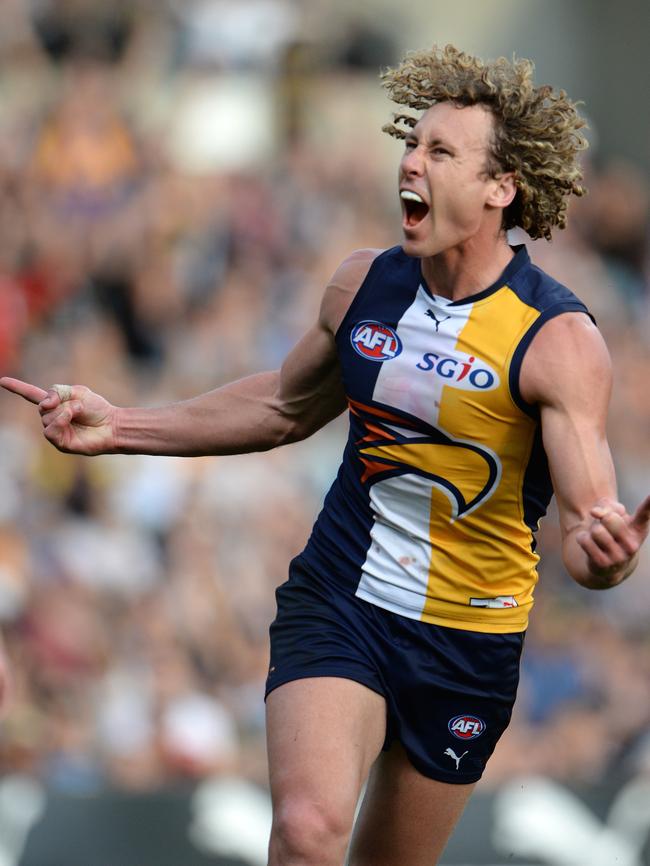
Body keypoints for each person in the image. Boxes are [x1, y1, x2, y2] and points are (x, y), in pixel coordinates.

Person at [2, 44, 649, 866]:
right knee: (307, 833)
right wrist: (122, 425)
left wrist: (608, 560)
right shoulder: (362, 285)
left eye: (441, 152)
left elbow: (592, 538)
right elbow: (281, 407)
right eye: (412, 144)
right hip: (342, 596)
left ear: (500, 187)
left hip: (467, 640)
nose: (411, 162)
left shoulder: (558, 340)